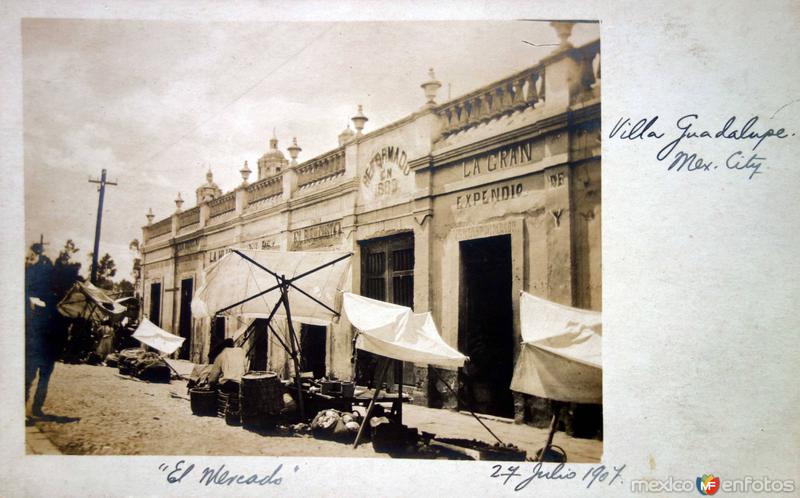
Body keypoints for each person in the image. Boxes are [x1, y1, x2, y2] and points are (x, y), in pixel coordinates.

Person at [25, 253, 64, 418]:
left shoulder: (40, 307)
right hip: (41, 350)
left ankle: (33, 408)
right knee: (38, 379)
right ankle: (35, 408)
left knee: (33, 379)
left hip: (40, 350)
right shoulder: (55, 309)